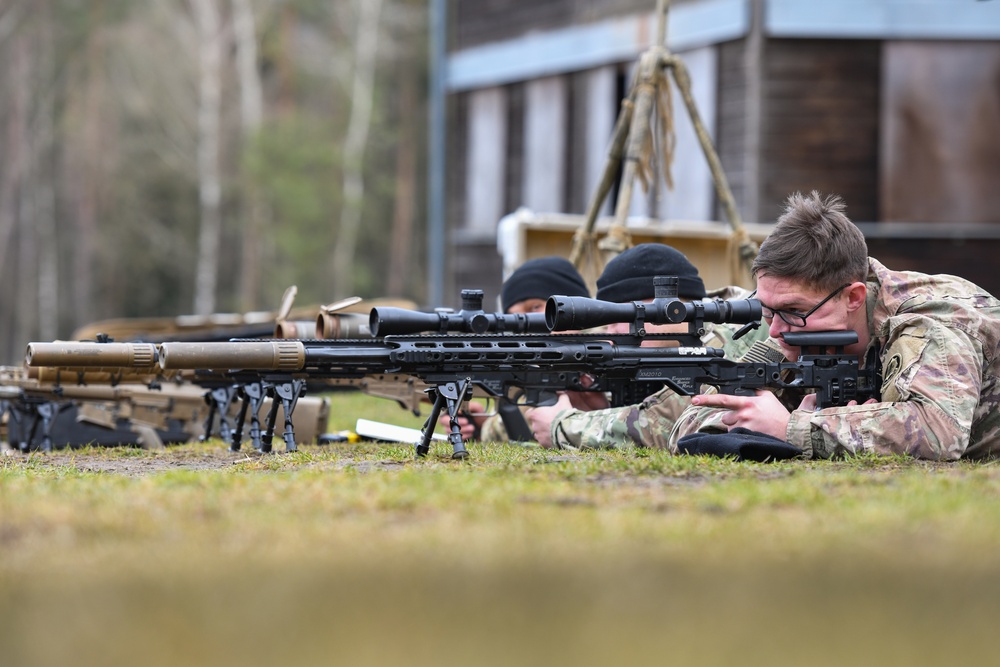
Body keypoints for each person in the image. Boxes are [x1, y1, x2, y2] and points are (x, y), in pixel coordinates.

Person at [670, 190, 1000, 460]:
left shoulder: (928, 319)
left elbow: (937, 430)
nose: (774, 331)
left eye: (791, 310)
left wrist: (793, 428)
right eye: (766, 310)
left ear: (853, 297)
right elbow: (691, 422)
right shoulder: (794, 324)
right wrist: (759, 424)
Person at [525, 243, 769, 449]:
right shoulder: (682, 336)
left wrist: (563, 426)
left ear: (671, 308)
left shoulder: (735, 333)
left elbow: (669, 423)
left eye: (622, 314)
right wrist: (601, 405)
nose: (611, 330)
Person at [440, 255, 593, 442]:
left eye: (535, 307)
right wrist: (479, 426)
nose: (524, 324)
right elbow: (524, 429)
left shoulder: (611, 354)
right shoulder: (531, 370)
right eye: (513, 316)